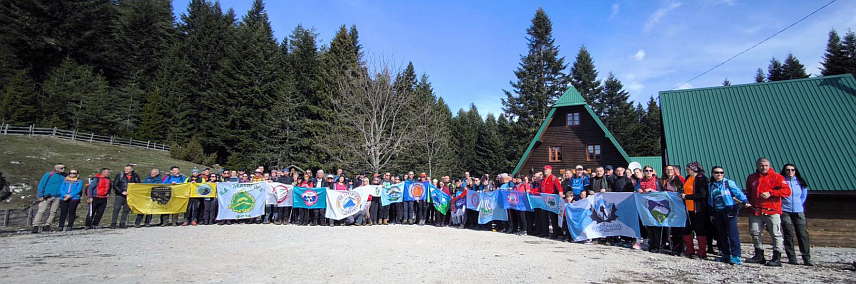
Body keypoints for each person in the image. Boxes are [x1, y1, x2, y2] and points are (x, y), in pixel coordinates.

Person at [745, 157, 791, 267]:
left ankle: (777, 257)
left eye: (766, 165)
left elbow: (787, 191)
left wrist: (771, 193)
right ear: (757, 166)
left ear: (769, 165)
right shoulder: (751, 177)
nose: (764, 167)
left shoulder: (777, 177)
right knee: (754, 232)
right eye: (761, 165)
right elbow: (750, 191)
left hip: (772, 210)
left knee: (776, 234)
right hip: (756, 210)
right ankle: (759, 255)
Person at [709, 166, 751, 265]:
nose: (719, 174)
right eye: (716, 173)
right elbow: (710, 199)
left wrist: (745, 201)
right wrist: (711, 213)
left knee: (732, 233)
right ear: (712, 174)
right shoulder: (711, 185)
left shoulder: (728, 183)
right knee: (722, 234)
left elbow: (738, 192)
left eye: (721, 172)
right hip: (717, 211)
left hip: (729, 209)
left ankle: (736, 256)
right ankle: (726, 254)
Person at [780, 163, 813, 266]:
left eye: (792, 170)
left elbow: (803, 196)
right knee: (788, 234)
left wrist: (798, 205)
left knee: (802, 235)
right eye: (788, 170)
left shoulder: (800, 183)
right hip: (785, 211)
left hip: (798, 211)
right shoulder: (781, 182)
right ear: (784, 171)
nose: (790, 172)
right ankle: (792, 257)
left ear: (795, 171)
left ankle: (806, 258)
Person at [681, 162, 709, 259]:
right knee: (686, 229)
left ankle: (702, 251)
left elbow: (702, 194)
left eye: (688, 169)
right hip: (687, 209)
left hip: (698, 209)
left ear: (693, 169)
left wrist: (687, 196)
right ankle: (690, 249)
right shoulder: (688, 178)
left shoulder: (702, 179)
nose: (687, 171)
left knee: (699, 230)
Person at [635, 165, 665, 253]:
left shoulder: (657, 180)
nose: (648, 172)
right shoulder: (641, 181)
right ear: (643, 172)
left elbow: (661, 193)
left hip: (656, 205)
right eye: (646, 171)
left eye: (650, 170)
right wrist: (638, 191)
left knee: (656, 226)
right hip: (645, 206)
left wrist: (652, 190)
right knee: (648, 225)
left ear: (653, 172)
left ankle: (657, 246)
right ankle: (651, 244)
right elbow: (636, 189)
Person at [33, 164, 66, 233]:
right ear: (56, 169)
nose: (63, 169)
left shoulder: (64, 176)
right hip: (47, 196)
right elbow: (42, 184)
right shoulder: (49, 175)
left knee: (53, 212)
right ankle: (35, 225)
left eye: (64, 168)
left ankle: (47, 225)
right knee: (41, 211)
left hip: (57, 196)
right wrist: (40, 195)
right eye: (61, 168)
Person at [111, 164, 140, 229]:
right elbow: (115, 185)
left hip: (130, 196)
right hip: (120, 195)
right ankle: (113, 223)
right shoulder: (120, 176)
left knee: (126, 210)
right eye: (125, 169)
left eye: (127, 169)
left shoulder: (135, 176)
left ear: (131, 170)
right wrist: (121, 192)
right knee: (116, 209)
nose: (126, 170)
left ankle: (122, 223)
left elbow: (138, 185)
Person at [539, 166, 563, 239]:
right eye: (544, 169)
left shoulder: (553, 178)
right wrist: (531, 191)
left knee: (553, 217)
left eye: (546, 169)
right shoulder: (543, 180)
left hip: (551, 200)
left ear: (550, 170)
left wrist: (560, 192)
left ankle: (555, 233)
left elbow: (559, 187)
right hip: (544, 200)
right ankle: (545, 232)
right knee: (544, 217)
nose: (545, 170)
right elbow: (539, 189)